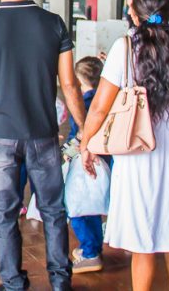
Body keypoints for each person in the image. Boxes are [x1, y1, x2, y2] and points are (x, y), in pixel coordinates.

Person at [81, 0, 169, 291]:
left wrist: (86, 145)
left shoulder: (125, 48)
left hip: (136, 149)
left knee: (142, 238)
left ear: (134, 12)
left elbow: (100, 108)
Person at [0, 0, 88, 291]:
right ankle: (61, 282)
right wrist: (86, 129)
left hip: (1, 135)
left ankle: (13, 283)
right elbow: (70, 84)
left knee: (5, 215)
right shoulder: (54, 23)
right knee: (53, 211)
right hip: (43, 133)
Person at [68, 56, 106, 274]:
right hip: (103, 161)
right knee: (93, 206)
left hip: (84, 160)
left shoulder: (83, 105)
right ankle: (94, 247)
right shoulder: (104, 100)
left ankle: (90, 252)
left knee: (79, 207)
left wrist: (67, 153)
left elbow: (78, 136)